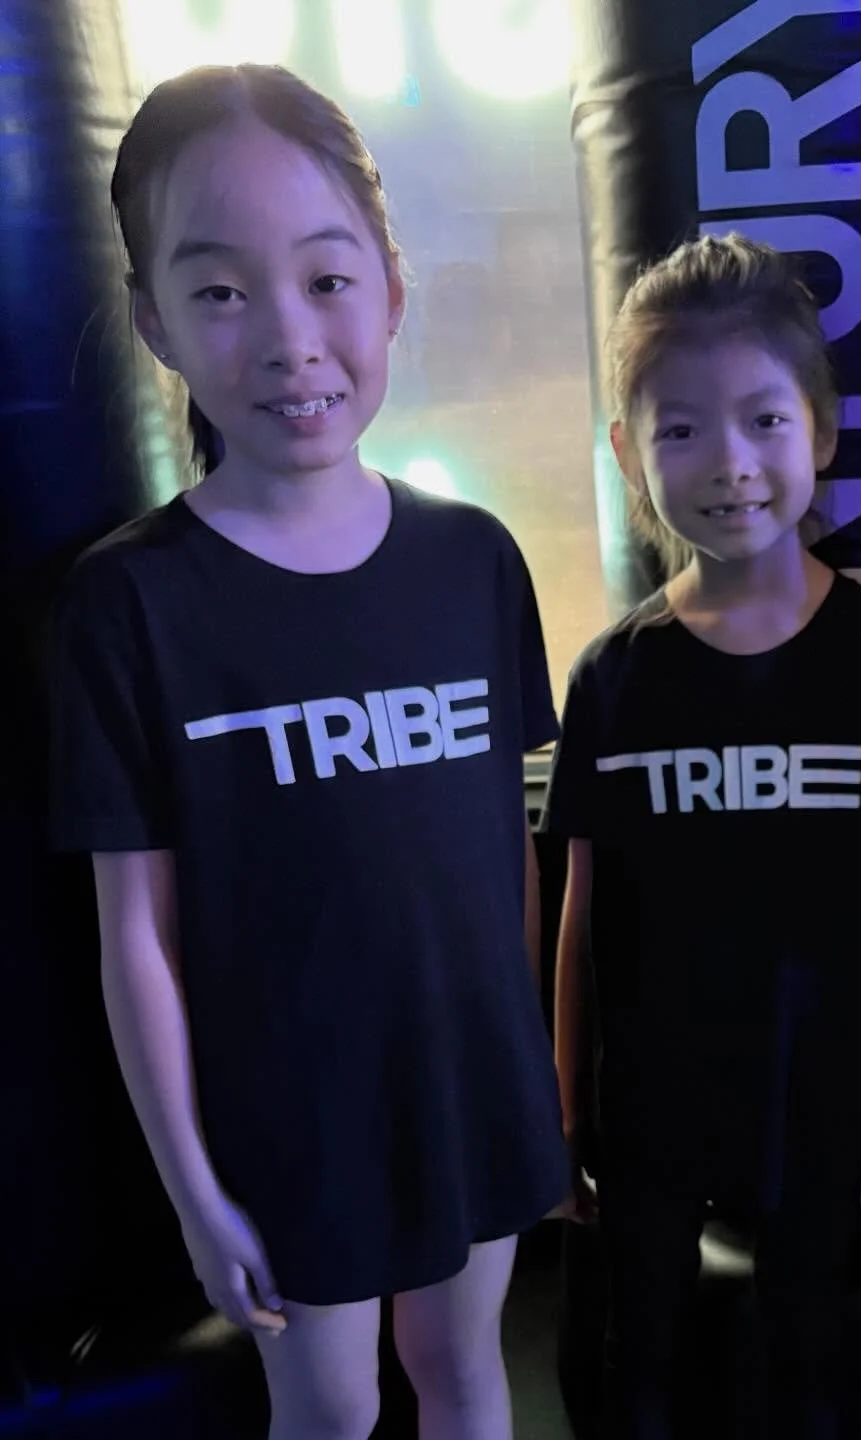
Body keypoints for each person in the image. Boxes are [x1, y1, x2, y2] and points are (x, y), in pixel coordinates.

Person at [48, 64, 567, 1440]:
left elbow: (502, 855)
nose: (289, 338)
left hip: (471, 1088)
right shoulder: (129, 605)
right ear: (154, 320)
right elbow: (135, 939)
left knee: (467, 1371)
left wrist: (527, 1069)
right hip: (287, 1120)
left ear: (390, 287)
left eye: (327, 279)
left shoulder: (476, 560)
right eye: (222, 292)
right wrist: (192, 1189)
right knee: (330, 1410)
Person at [542, 233, 861, 1439]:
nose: (729, 464)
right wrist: (563, 1117)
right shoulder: (613, 676)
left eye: (764, 421)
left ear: (819, 431)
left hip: (823, 1100)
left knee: (808, 1364)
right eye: (680, 429)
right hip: (650, 1111)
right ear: (629, 451)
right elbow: (580, 911)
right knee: (639, 1371)